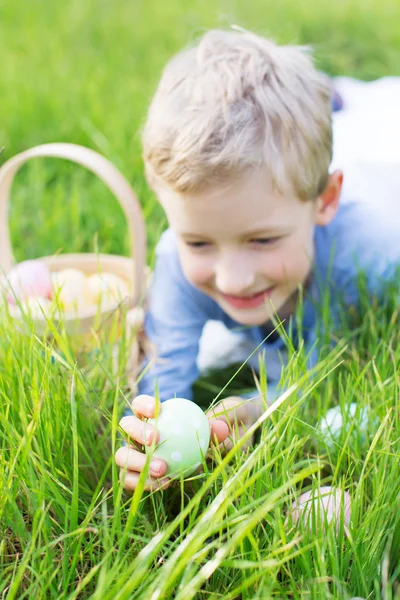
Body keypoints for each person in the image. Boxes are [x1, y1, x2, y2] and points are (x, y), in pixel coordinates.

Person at [115, 28, 400, 492]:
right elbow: (158, 382)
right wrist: (145, 435)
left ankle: (343, 96)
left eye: (263, 240)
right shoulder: (175, 261)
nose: (233, 278)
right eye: (200, 243)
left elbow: (349, 367)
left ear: (324, 201)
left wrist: (259, 408)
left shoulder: (376, 258)